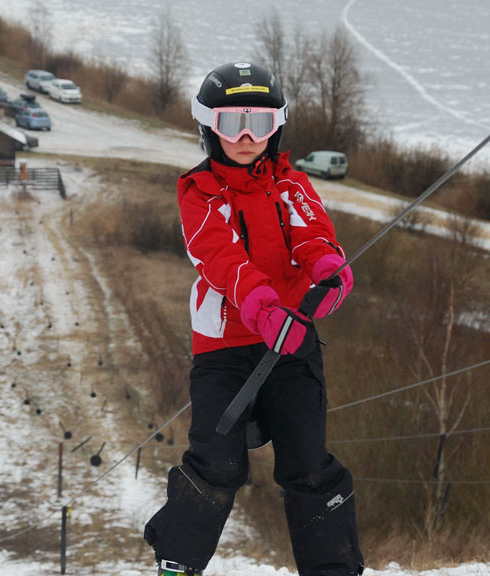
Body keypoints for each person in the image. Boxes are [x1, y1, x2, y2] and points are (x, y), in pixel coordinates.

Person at [143, 62, 363, 576]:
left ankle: (333, 569)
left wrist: (329, 270)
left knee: (308, 463)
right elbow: (221, 259)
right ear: (208, 128)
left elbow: (312, 234)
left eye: (259, 125)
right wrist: (263, 308)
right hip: (226, 347)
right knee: (218, 463)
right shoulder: (200, 191)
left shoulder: (291, 183)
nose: (246, 138)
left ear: (276, 128)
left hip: (292, 340)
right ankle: (177, 562)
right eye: (232, 124)